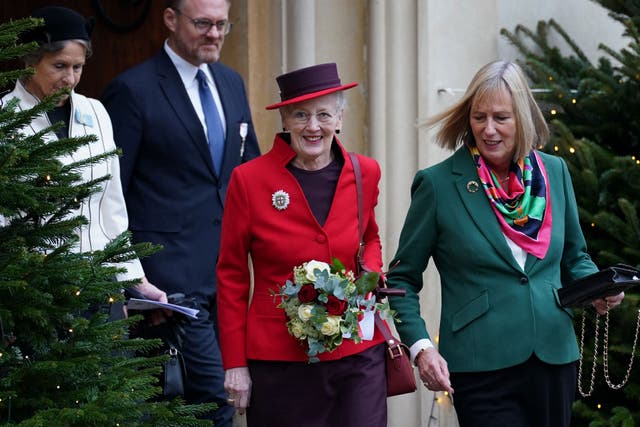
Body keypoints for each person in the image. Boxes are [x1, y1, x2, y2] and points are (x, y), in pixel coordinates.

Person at [386, 60, 624, 427]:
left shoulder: (555, 172)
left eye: (501, 117)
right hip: (480, 364)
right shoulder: (437, 185)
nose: (489, 129)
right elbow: (401, 280)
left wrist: (598, 287)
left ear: (523, 119)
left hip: (552, 355)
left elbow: (576, 257)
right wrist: (421, 348)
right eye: (479, 117)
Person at [101, 0, 260, 424]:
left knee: (210, 404)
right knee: (217, 400)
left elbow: (249, 175)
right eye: (203, 23)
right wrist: (135, 280)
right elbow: (110, 193)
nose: (214, 34)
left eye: (222, 25)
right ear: (171, 20)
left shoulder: (230, 82)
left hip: (227, 280)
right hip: (167, 288)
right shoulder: (132, 90)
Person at [217, 63, 387, 427]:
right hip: (280, 361)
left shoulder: (365, 172)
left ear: (339, 117)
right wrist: (235, 363)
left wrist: (370, 274)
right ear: (284, 122)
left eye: (324, 114)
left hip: (356, 352)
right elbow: (231, 275)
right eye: (300, 115)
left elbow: (369, 236)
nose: (313, 126)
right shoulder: (249, 180)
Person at [0, 6, 166, 304]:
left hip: (100, 287)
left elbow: (112, 209)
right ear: (31, 61)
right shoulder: (5, 119)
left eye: (78, 67)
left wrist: (136, 280)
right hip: (38, 298)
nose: (71, 79)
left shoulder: (96, 111)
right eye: (60, 66)